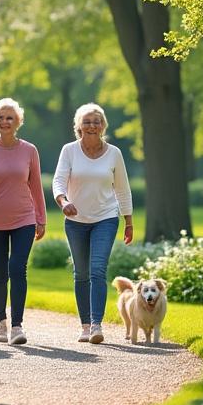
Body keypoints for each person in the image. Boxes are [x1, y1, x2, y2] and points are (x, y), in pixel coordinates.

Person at [52, 103, 133, 344]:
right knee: (81, 274)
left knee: (98, 270)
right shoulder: (69, 150)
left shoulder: (114, 153)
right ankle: (85, 325)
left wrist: (128, 221)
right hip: (75, 220)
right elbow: (58, 181)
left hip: (106, 218)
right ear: (78, 126)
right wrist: (63, 201)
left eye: (96, 121)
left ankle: (97, 325)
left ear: (103, 126)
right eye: (86, 121)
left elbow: (122, 188)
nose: (91, 125)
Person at [0, 98, 46, 345]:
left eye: (10, 117)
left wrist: (41, 218)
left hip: (24, 218)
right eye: (1, 117)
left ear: (18, 122)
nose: (5, 122)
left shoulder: (29, 150)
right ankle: (0, 322)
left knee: (18, 269)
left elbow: (36, 186)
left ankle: (17, 326)